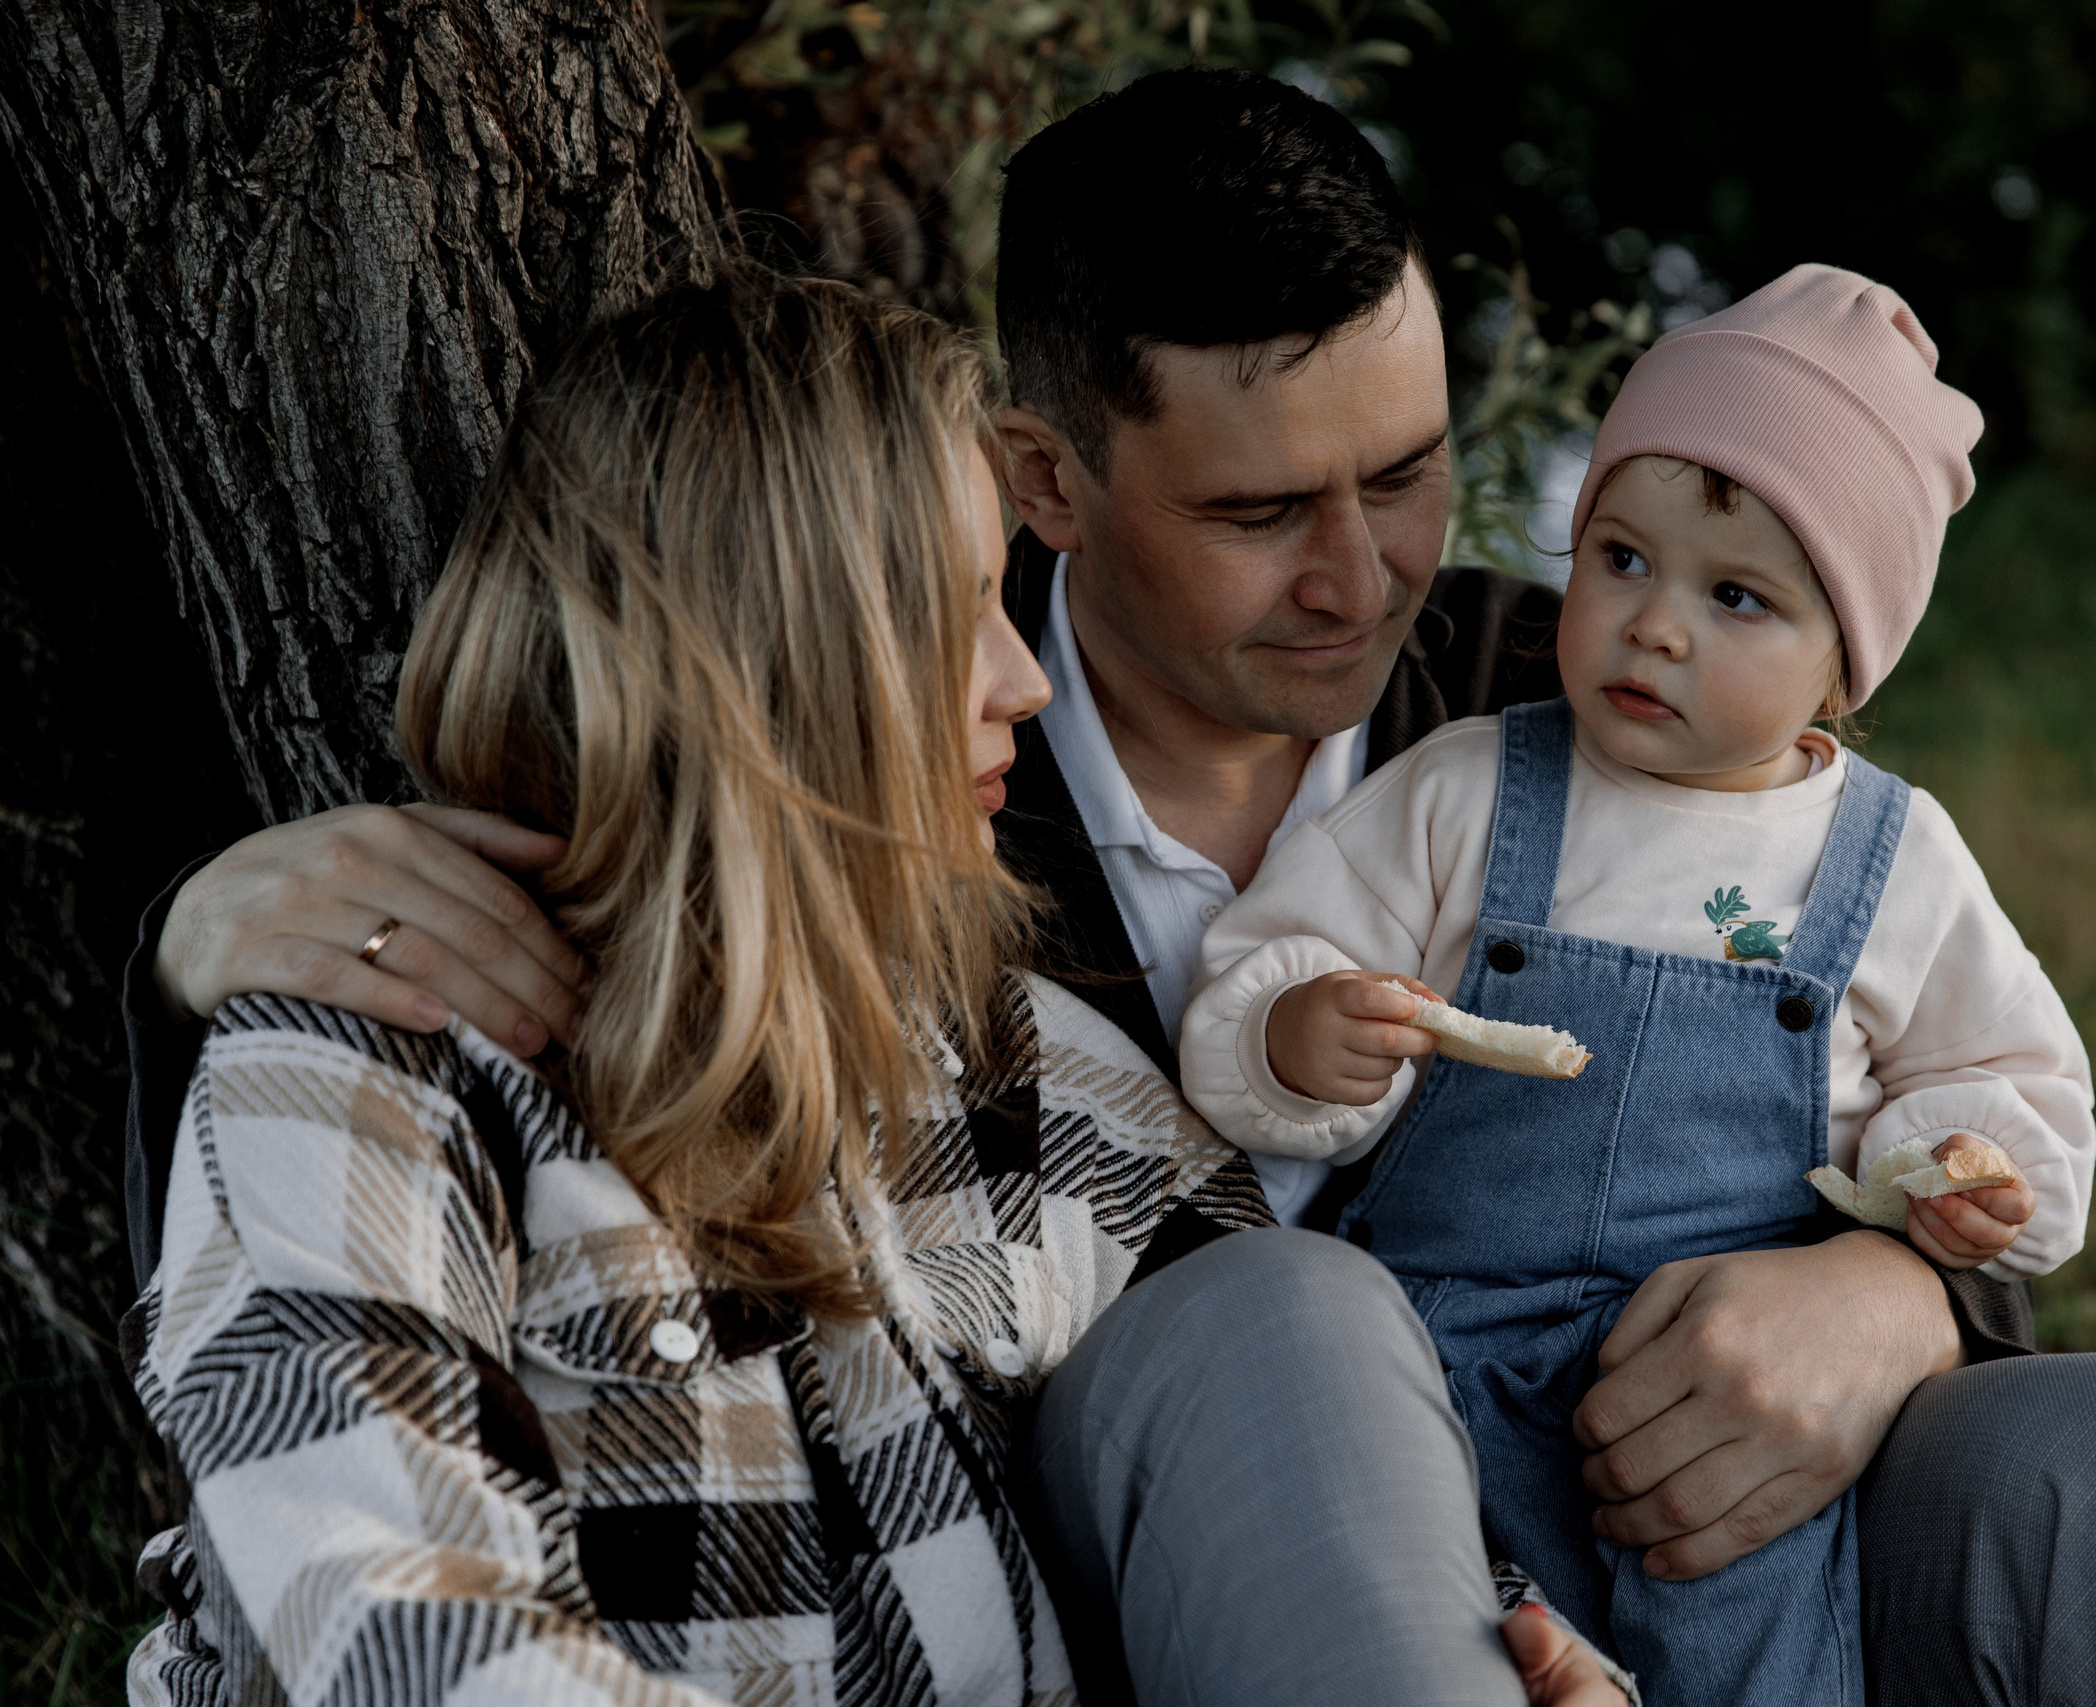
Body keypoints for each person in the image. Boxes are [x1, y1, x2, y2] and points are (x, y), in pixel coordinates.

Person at [123, 68, 2096, 1706]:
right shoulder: (906, 854)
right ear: (1042, 480)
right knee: (1300, 1324)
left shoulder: (1569, 707)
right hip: (1197, 1583)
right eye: (1258, 515)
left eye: (1418, 474)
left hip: (1652, 1518)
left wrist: (1900, 1301)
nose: (1368, 583)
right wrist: (205, 930)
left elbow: (1918, 1065)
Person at [121, 267, 1624, 1706]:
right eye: (956, 612)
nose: (1022, 680)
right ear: (774, 661)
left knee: (1296, 1300)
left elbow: (1304, 1421)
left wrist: (1506, 1636)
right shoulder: (366, 1076)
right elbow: (394, 1638)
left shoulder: (1007, 1051)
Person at [1178, 264, 2094, 1704]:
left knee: (1758, 1651)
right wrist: (1301, 1038)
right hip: (1441, 1365)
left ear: (1843, 671)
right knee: (1459, 1627)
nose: (1655, 623)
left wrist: (1951, 1163)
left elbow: (2010, 1076)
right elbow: (1270, 959)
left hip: (1731, 1411)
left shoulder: (1892, 860)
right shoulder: (1471, 788)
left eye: (1737, 597)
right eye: (1619, 557)